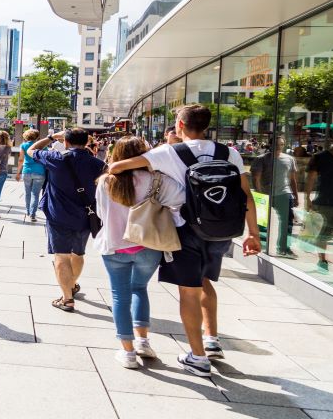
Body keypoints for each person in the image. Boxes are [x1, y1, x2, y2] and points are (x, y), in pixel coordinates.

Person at [108, 104, 260, 377]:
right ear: (207, 126)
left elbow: (119, 166)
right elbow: (245, 195)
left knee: (188, 291)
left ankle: (198, 357)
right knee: (205, 283)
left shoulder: (168, 152)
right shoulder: (230, 153)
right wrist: (253, 234)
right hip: (221, 231)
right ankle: (211, 339)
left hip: (186, 231)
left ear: (180, 125)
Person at [95, 136, 184, 368]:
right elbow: (181, 198)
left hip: (114, 245)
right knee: (140, 289)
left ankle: (127, 352)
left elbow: (101, 213)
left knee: (119, 296)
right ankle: (143, 341)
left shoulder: (106, 182)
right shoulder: (159, 180)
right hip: (149, 244)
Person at [27, 128, 106, 312]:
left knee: (61, 256)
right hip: (86, 216)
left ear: (66, 142)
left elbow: (30, 150)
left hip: (58, 215)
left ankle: (67, 299)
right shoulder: (97, 163)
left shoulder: (56, 158)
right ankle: (72, 284)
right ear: (87, 142)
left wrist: (50, 137)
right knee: (78, 254)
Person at [251, 137, 299, 258]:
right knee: (262, 223)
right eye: (277, 144)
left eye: (281, 144)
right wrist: (259, 194)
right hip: (265, 194)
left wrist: (296, 196)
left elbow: (293, 179)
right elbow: (256, 178)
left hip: (284, 193)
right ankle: (261, 246)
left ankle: (283, 248)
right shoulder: (261, 159)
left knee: (287, 222)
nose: (279, 146)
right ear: (270, 145)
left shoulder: (289, 159)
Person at [306, 128, 333, 272]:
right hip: (325, 202)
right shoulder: (320, 157)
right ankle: (322, 260)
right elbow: (311, 177)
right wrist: (307, 197)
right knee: (324, 233)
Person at [16, 129, 46, 222]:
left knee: (27, 192)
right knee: (35, 194)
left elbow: (21, 160)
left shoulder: (23, 145)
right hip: (40, 171)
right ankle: (33, 214)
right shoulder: (42, 146)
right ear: (37, 136)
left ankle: (28, 211)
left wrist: (18, 173)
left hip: (27, 171)